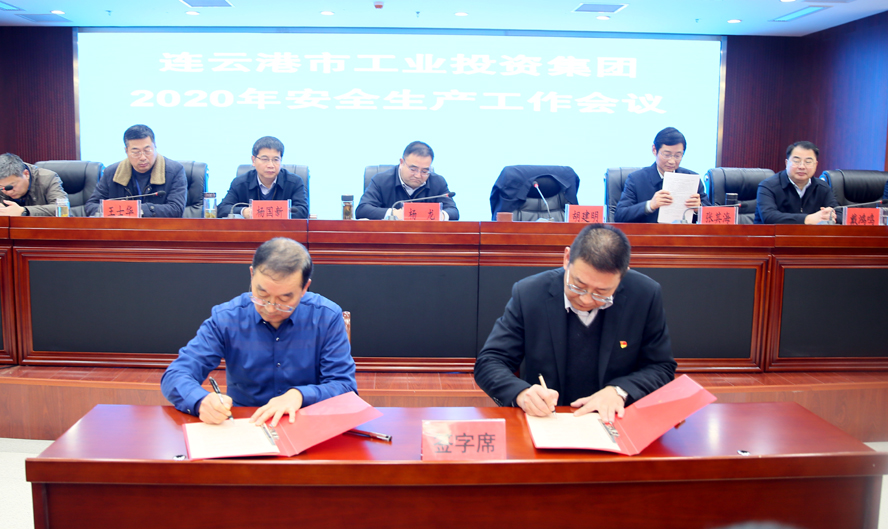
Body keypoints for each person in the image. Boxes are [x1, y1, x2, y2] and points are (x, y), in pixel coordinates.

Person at [474, 224, 675, 423]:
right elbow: (490, 361)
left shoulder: (644, 295)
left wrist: (619, 391)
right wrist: (522, 393)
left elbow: (661, 367)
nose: (586, 299)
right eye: (578, 286)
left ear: (622, 275)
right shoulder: (530, 293)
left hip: (616, 421)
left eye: (602, 293)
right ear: (567, 258)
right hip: (549, 420)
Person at [161, 237, 356, 426]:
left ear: (305, 288)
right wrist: (200, 401)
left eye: (284, 299)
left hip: (306, 424)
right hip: (245, 424)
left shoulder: (326, 317)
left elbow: (345, 388)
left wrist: (299, 395)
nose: (270, 308)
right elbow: (176, 374)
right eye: (262, 294)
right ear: (252, 275)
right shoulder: (227, 318)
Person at [84, 124, 187, 218]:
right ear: (126, 151)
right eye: (136, 152)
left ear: (155, 146)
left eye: (147, 150)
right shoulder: (112, 173)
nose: (142, 157)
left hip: (159, 230)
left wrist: (138, 210)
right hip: (122, 230)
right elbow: (91, 206)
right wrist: (120, 210)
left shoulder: (174, 170)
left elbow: (176, 209)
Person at [615, 127, 709, 223]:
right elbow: (620, 215)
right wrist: (650, 205)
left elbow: (712, 217)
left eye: (677, 156)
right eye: (667, 155)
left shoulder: (692, 178)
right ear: (654, 150)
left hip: (683, 232)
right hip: (649, 232)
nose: (672, 161)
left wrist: (699, 209)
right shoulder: (636, 179)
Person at [356, 141, 459, 220]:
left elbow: (453, 212)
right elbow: (362, 210)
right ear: (401, 163)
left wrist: (440, 215)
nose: (418, 175)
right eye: (413, 169)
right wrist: (394, 213)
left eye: (424, 171)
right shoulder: (381, 180)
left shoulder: (438, 182)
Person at [217, 136, 308, 219]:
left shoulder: (294, 182)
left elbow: (303, 211)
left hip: (283, 230)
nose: (270, 165)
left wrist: (277, 212)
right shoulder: (240, 183)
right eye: (265, 159)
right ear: (253, 160)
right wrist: (243, 211)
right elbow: (222, 209)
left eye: (276, 160)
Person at [754, 141, 839, 224]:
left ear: (815, 165)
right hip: (775, 233)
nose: (802, 166)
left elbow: (840, 213)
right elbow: (769, 217)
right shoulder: (768, 186)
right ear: (786, 163)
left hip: (810, 234)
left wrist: (831, 215)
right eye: (796, 161)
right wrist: (808, 219)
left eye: (808, 162)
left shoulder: (822, 187)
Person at [0, 153, 68, 216]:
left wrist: (24, 211)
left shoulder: (48, 178)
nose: (9, 192)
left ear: (26, 174)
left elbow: (63, 209)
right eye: (1, 187)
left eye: (11, 186)